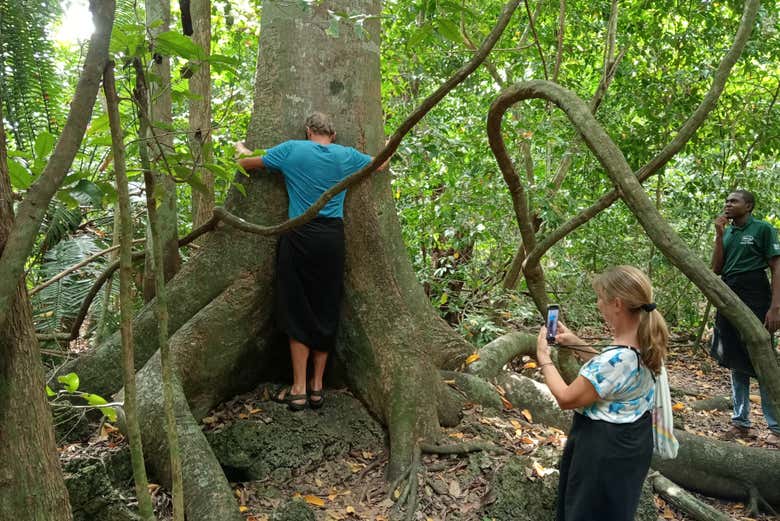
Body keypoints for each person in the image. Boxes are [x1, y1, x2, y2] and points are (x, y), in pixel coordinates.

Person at [235, 112, 388, 411]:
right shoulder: (346, 155)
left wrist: (240, 148)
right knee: (325, 307)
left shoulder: (291, 149)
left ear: (308, 131)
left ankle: (299, 388)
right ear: (332, 135)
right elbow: (382, 163)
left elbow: (246, 163)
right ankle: (318, 386)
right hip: (332, 239)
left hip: (299, 236)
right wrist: (385, 142)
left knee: (297, 309)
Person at [536, 265, 668, 521]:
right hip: (631, 444)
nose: (598, 304)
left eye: (600, 298)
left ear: (617, 303)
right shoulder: (645, 343)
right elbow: (614, 376)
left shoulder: (615, 360)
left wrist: (543, 357)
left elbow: (566, 398)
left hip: (603, 449)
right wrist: (576, 343)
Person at [710, 189, 780, 446]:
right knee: (733, 358)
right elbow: (716, 269)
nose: (727, 204)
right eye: (726, 200)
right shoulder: (727, 231)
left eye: (733, 201)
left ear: (748, 206)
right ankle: (741, 424)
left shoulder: (763, 229)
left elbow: (776, 266)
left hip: (755, 293)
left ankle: (776, 427)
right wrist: (719, 235)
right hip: (729, 292)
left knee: (761, 357)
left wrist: (775, 307)